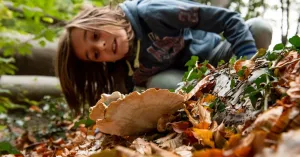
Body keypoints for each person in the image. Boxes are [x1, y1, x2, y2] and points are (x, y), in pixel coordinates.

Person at [55, 0, 272, 113]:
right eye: (94, 54)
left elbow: (229, 20)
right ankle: (215, 103)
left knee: (261, 29)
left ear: (103, 16)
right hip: (189, 84)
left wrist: (249, 64)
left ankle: (237, 86)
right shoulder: (120, 68)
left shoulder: (153, 12)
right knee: (159, 85)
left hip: (217, 58)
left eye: (94, 34)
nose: (101, 46)